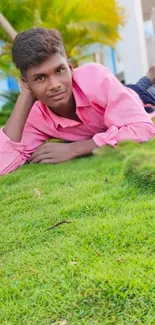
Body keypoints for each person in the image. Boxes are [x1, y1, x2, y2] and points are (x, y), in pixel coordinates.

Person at [0, 27, 155, 176]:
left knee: (142, 90)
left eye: (60, 70)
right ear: (26, 83)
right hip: (121, 94)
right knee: (139, 85)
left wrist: (75, 148)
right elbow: (3, 164)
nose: (55, 85)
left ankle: (150, 77)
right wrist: (26, 95)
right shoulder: (35, 116)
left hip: (141, 100)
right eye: (40, 78)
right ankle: (149, 77)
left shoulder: (96, 78)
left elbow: (144, 129)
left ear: (70, 67)